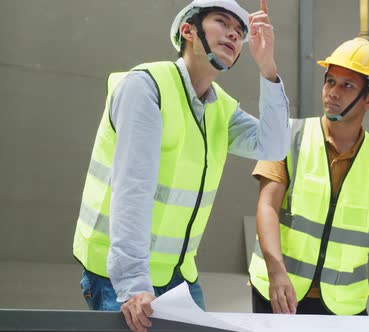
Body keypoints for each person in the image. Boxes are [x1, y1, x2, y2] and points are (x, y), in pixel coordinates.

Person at [72, 0, 289, 331]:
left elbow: (274, 145)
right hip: (118, 277)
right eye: (222, 22)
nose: (234, 33)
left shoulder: (221, 109)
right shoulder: (146, 87)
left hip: (178, 274)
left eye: (240, 31)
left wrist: (267, 68)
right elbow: (133, 187)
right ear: (188, 30)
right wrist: (134, 286)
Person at [248, 37, 369, 316]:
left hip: (344, 306)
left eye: (347, 85)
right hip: (279, 291)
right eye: (330, 81)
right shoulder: (287, 135)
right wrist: (276, 272)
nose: (333, 92)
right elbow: (267, 206)